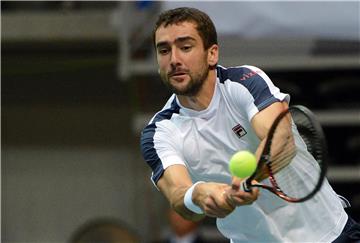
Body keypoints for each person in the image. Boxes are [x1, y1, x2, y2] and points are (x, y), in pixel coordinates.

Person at [140, 7, 360, 242]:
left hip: (329, 234)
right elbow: (178, 194)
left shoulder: (245, 82)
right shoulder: (159, 133)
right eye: (164, 50)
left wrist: (251, 175)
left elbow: (281, 139)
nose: (174, 60)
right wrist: (201, 195)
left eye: (185, 47)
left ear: (212, 54)